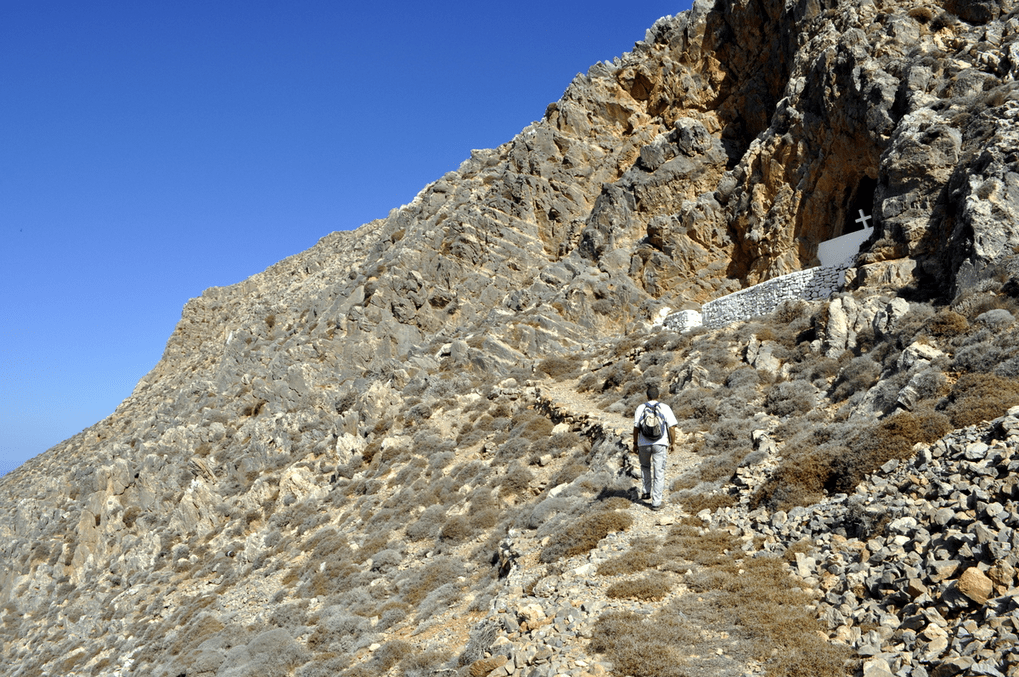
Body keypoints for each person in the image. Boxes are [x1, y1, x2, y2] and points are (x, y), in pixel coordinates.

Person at [632, 384, 678, 511]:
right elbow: (672, 427)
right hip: (660, 443)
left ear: (647, 396)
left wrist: (635, 444)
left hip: (643, 444)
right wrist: (672, 443)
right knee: (659, 472)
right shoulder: (665, 407)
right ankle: (656, 503)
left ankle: (646, 491)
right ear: (659, 396)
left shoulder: (640, 408)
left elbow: (636, 428)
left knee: (645, 466)